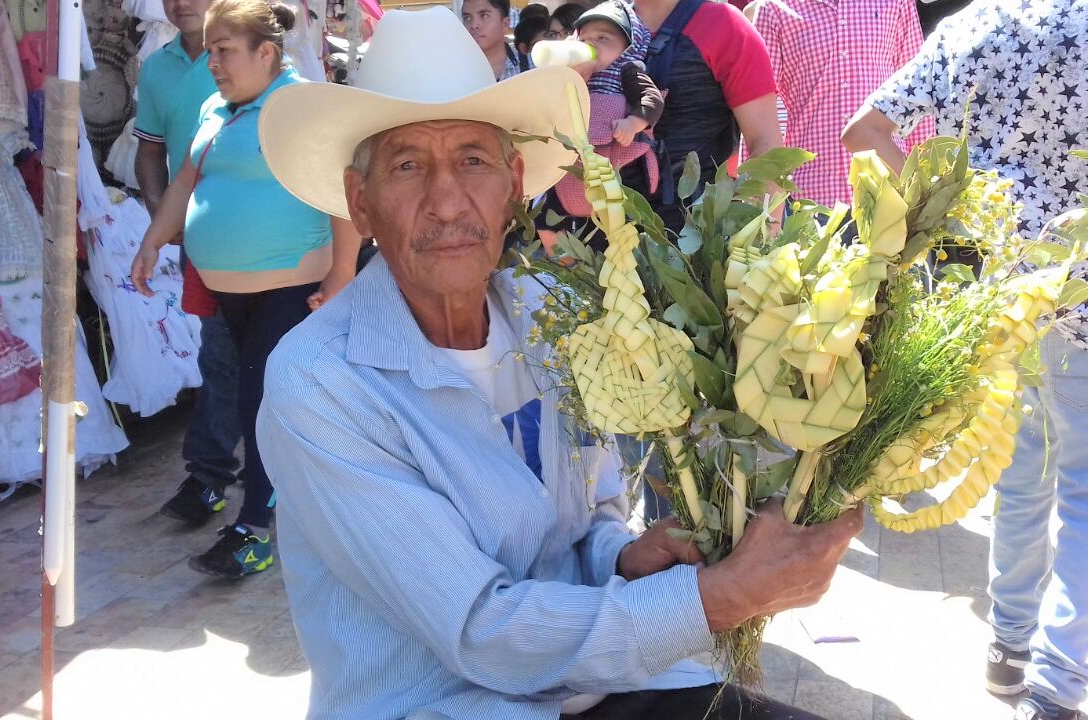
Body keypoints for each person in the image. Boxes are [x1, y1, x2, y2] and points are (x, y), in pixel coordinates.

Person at [252, 9, 862, 719]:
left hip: (594, 686)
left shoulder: (547, 312)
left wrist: (625, 558)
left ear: (514, 183)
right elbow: (482, 632)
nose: (447, 201)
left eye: (473, 161)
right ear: (362, 203)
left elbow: (582, 523)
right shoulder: (320, 382)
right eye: (408, 165)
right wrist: (720, 598)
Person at [841, 2, 1088, 719]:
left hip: (992, 296)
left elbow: (864, 133)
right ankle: (1057, 685)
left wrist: (948, 215)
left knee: (1021, 477)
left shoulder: (969, 24)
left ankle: (1009, 649)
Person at [130, 0, 360, 578]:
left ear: (266, 52)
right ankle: (276, 506)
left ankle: (254, 528)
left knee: (261, 404)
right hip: (227, 291)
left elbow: (344, 195)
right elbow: (185, 180)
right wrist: (152, 241)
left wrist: (340, 277)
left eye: (225, 51)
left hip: (292, 286)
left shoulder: (301, 107)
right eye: (210, 51)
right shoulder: (216, 107)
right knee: (247, 400)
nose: (213, 63)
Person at [132, 0, 244, 527]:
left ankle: (243, 477)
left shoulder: (254, 58)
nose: (180, 4)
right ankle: (210, 474)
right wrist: (161, 218)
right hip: (199, 237)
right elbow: (151, 152)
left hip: (266, 237)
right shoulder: (156, 67)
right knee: (219, 353)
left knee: (259, 358)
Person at [749, 0, 931, 208]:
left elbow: (917, 92)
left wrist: (928, 186)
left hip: (889, 192)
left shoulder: (896, 2)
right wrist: (757, 209)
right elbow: (756, 114)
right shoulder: (774, 8)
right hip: (810, 197)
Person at [633, 0, 782, 234]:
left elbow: (765, 145)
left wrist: (763, 247)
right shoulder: (597, 26)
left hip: (698, 248)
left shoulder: (724, 25)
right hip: (596, 244)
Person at [538, 0, 664, 251]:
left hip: (616, 165)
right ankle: (564, 262)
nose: (591, 44)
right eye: (584, 39)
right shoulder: (574, 77)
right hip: (575, 168)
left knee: (622, 224)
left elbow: (652, 100)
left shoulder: (627, 71)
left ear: (628, 48)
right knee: (545, 221)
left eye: (603, 38)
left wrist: (633, 123)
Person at [462, 0, 528, 80]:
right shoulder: (454, 71)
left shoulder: (532, 66)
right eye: (467, 18)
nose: (473, 25)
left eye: (484, 16)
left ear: (505, 24)